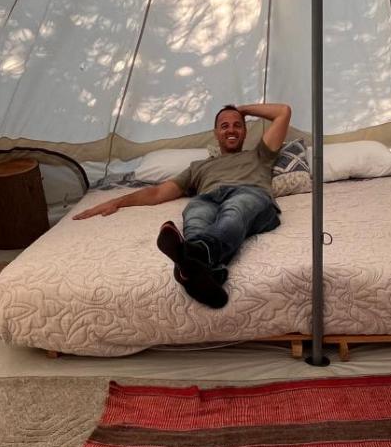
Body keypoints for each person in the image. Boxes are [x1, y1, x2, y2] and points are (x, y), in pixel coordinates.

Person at [73, 102, 292, 307]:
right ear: (216, 133)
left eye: (237, 125)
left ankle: (194, 257)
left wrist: (241, 109)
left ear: (244, 131)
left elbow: (283, 112)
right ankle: (205, 273)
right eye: (224, 126)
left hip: (250, 195)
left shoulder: (260, 154)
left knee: (235, 210)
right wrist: (118, 201)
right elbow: (158, 193)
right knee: (195, 212)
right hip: (209, 199)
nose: (231, 130)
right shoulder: (198, 167)